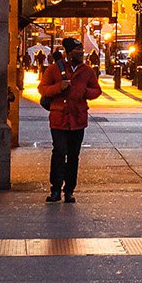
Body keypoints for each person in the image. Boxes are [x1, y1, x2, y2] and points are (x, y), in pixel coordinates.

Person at [38, 38, 101, 203]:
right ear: (68, 52)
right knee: (59, 152)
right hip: (59, 118)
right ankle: (56, 189)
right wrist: (59, 87)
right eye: (77, 50)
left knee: (73, 156)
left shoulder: (86, 71)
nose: (80, 53)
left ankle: (69, 190)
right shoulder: (54, 69)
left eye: (81, 50)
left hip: (78, 119)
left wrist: (84, 91)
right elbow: (42, 89)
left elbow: (96, 90)